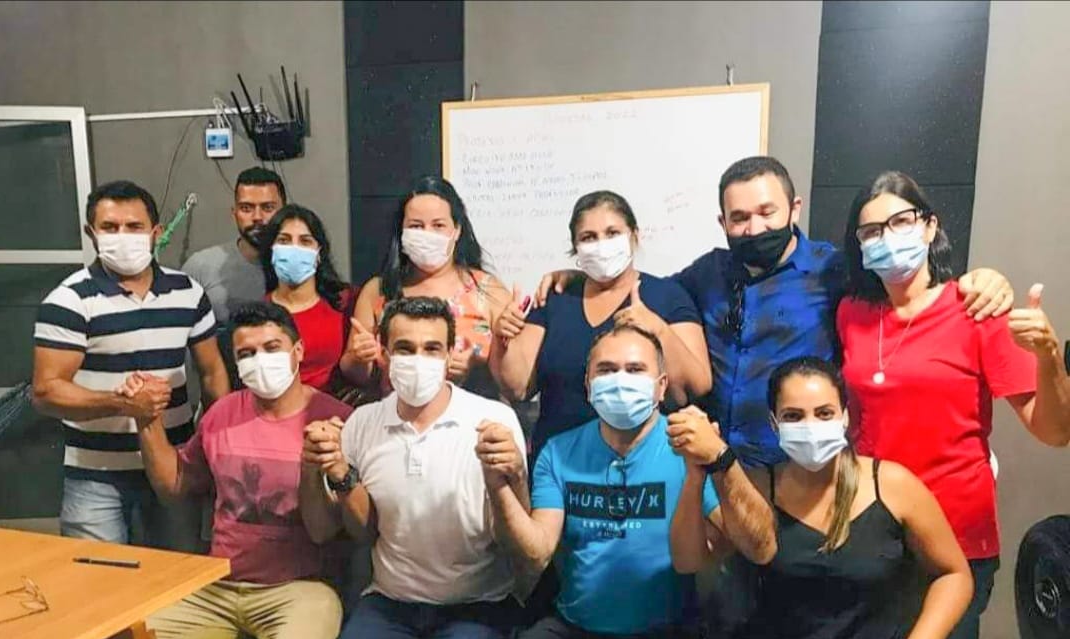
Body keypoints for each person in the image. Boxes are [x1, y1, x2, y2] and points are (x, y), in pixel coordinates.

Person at [535, 158, 1014, 467]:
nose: (755, 228)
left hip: (804, 466)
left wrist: (980, 278)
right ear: (723, 222)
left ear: (794, 208)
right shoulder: (706, 273)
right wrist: (578, 276)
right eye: (739, 218)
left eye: (767, 212)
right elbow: (640, 286)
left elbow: (906, 288)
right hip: (719, 466)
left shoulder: (834, 270)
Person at [836, 171, 1070, 639]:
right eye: (870, 231)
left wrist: (1049, 357)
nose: (886, 238)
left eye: (900, 222)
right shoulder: (852, 313)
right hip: (875, 530)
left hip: (956, 539)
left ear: (930, 225)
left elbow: (1054, 431)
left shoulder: (977, 311)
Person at [474, 325, 775, 639]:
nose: (620, 380)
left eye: (635, 369)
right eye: (606, 369)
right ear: (588, 383)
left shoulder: (686, 446)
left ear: (661, 386)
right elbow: (536, 552)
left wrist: (721, 460)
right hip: (572, 631)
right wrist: (499, 485)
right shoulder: (559, 451)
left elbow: (759, 546)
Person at [683, 356, 972, 639]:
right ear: (774, 423)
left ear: (845, 416)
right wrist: (699, 475)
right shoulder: (757, 487)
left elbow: (954, 575)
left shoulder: (893, 485)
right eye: (793, 416)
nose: (810, 427)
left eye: (823, 413)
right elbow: (698, 554)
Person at [102, 302, 347, 639]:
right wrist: (146, 422)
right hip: (216, 584)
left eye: (272, 347)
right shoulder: (221, 415)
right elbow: (175, 484)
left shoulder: (336, 419)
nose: (260, 360)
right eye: (246, 354)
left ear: (298, 351)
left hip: (299, 588)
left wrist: (315, 466)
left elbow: (327, 531)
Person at [32, 180, 230, 639]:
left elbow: (212, 371)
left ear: (155, 230)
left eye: (134, 226)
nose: (123, 238)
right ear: (92, 233)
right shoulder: (70, 300)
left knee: (174, 585)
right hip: (96, 476)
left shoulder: (187, 292)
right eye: (110, 228)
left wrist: (214, 441)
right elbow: (47, 390)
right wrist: (120, 402)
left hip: (173, 466)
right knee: (88, 601)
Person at [303, 297, 527, 639]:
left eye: (431, 348)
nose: (418, 360)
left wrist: (514, 475)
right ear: (384, 353)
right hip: (391, 602)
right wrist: (323, 470)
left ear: (450, 354)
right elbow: (352, 530)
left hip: (474, 608)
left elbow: (519, 536)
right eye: (404, 348)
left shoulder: (492, 421)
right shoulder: (362, 424)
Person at [494, 190, 712, 459]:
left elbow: (697, 386)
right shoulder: (557, 296)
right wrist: (504, 337)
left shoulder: (667, 296)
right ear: (575, 246)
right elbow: (517, 386)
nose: (601, 245)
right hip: (560, 462)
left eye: (612, 233)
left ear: (634, 236)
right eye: (588, 237)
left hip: (647, 463)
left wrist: (658, 329)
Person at [341, 175, 511, 399]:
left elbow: (513, 376)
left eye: (438, 225)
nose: (427, 233)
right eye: (416, 226)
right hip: (397, 414)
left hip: (474, 414)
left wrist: (476, 365)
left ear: (457, 230)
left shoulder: (487, 290)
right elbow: (355, 372)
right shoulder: (378, 290)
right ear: (402, 231)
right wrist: (359, 357)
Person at [260, 204, 357, 394]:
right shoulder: (258, 314)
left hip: (334, 408)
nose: (294, 249)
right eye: (284, 240)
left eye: (305, 241)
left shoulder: (345, 304)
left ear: (319, 253)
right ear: (271, 250)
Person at [182, 167, 286, 326]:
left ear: (284, 212)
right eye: (246, 208)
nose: (257, 217)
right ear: (234, 213)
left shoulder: (301, 266)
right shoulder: (201, 266)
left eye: (268, 208)